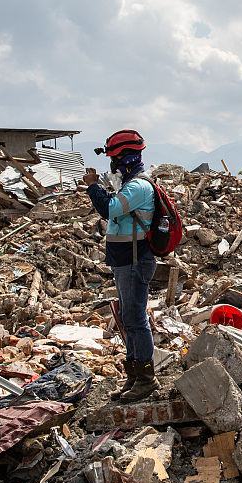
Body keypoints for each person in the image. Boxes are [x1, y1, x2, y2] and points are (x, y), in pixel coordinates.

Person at [82, 129, 159, 402]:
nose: (112, 164)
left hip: (134, 261)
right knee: (129, 319)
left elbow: (109, 209)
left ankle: (146, 379)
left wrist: (93, 186)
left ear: (124, 158)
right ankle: (134, 376)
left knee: (136, 319)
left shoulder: (139, 186)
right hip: (126, 260)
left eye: (114, 158)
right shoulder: (130, 185)